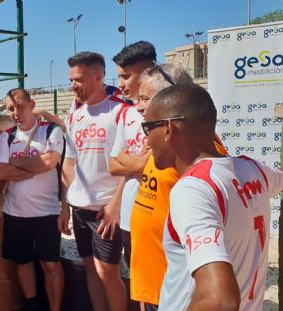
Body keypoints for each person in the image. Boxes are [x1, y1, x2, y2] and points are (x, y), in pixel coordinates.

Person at [143, 83, 283, 310]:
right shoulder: (252, 170)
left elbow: (219, 300)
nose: (146, 139)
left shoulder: (193, 190)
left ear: (168, 129)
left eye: (147, 128)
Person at [112, 64, 198, 311]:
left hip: (173, 288)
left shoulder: (190, 148)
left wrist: (133, 160)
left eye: (145, 99)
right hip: (151, 281)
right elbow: (119, 158)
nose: (137, 106)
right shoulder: (160, 139)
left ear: (172, 98)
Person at [58, 51, 129, 311]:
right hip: (79, 207)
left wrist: (115, 205)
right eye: (71, 79)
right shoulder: (75, 115)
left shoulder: (121, 112)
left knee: (107, 272)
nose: (72, 85)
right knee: (90, 269)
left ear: (98, 76)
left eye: (78, 79)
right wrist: (65, 205)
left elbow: (131, 165)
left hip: (105, 209)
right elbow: (69, 162)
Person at [0, 88, 65, 311]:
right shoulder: (6, 136)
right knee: (22, 261)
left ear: (32, 105)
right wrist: (36, 164)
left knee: (51, 265)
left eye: (20, 106)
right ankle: (32, 304)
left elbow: (50, 162)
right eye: (10, 108)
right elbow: (1, 172)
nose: (16, 112)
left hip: (47, 212)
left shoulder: (51, 130)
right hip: (15, 212)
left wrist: (15, 163)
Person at [108, 41, 157, 276]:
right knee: (138, 285)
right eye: (118, 76)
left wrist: (128, 160)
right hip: (130, 216)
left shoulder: (170, 113)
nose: (120, 84)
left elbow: (158, 165)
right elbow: (112, 164)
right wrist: (137, 163)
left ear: (148, 71)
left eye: (126, 76)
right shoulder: (127, 114)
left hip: (158, 216)